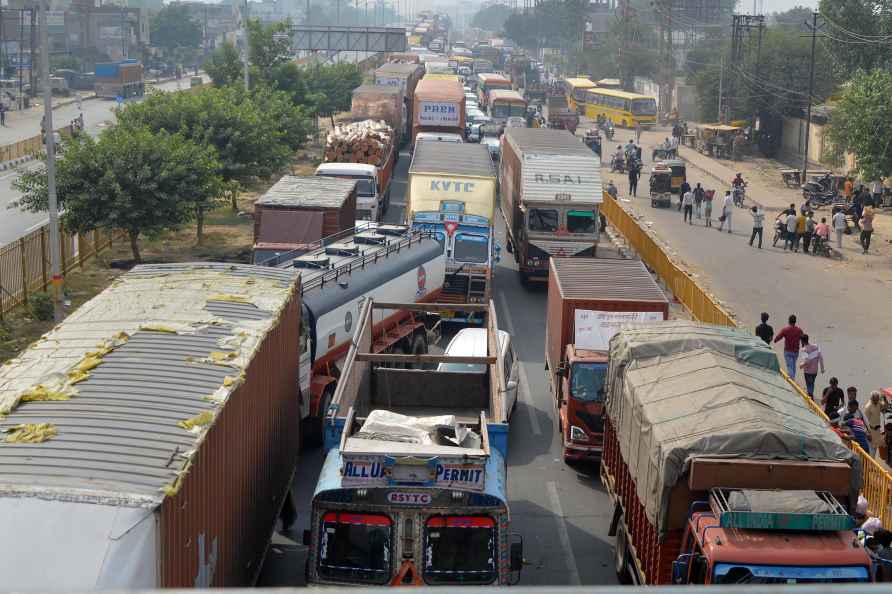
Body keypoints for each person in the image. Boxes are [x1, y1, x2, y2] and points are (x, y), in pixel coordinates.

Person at [864, 391, 886, 456]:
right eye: (875, 399)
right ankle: (870, 465)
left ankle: (871, 464)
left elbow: (884, 409)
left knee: (875, 448)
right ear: (872, 399)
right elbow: (865, 421)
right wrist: (867, 432)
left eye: (878, 399)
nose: (877, 401)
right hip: (871, 430)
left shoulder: (878, 403)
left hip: (877, 430)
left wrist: (884, 399)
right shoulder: (868, 407)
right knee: (871, 450)